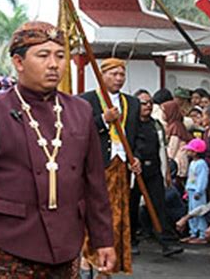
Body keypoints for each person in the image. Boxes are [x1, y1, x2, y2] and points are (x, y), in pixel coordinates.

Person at [0, 21, 116, 278]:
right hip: (6, 241)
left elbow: (94, 182)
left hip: (66, 241)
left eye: (60, 56)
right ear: (19, 62)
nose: (54, 64)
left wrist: (103, 238)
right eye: (43, 55)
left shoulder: (80, 110)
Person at [79, 57, 140, 272]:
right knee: (93, 212)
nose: (118, 78)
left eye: (122, 74)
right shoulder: (85, 101)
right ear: (102, 75)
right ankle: (87, 259)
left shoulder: (132, 103)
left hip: (121, 164)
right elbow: (79, 132)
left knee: (117, 216)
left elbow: (137, 135)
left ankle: (107, 268)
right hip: (96, 165)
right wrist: (103, 120)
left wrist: (137, 157)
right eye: (113, 74)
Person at [133, 89, 183, 257]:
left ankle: (165, 242)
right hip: (135, 172)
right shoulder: (130, 124)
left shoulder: (156, 125)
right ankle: (132, 240)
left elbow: (162, 148)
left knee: (159, 205)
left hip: (154, 170)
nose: (147, 106)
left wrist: (166, 172)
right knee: (132, 207)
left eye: (150, 103)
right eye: (143, 103)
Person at [181, 138, 209, 244]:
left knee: (199, 212)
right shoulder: (193, 163)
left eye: (190, 150)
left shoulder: (201, 164)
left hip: (197, 192)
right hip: (191, 190)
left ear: (196, 152)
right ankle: (193, 232)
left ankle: (202, 234)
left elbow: (202, 179)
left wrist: (199, 191)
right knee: (191, 212)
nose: (188, 152)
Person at [162, 100, 192, 191]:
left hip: (177, 164)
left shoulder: (175, 127)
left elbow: (172, 150)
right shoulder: (175, 125)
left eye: (164, 111)